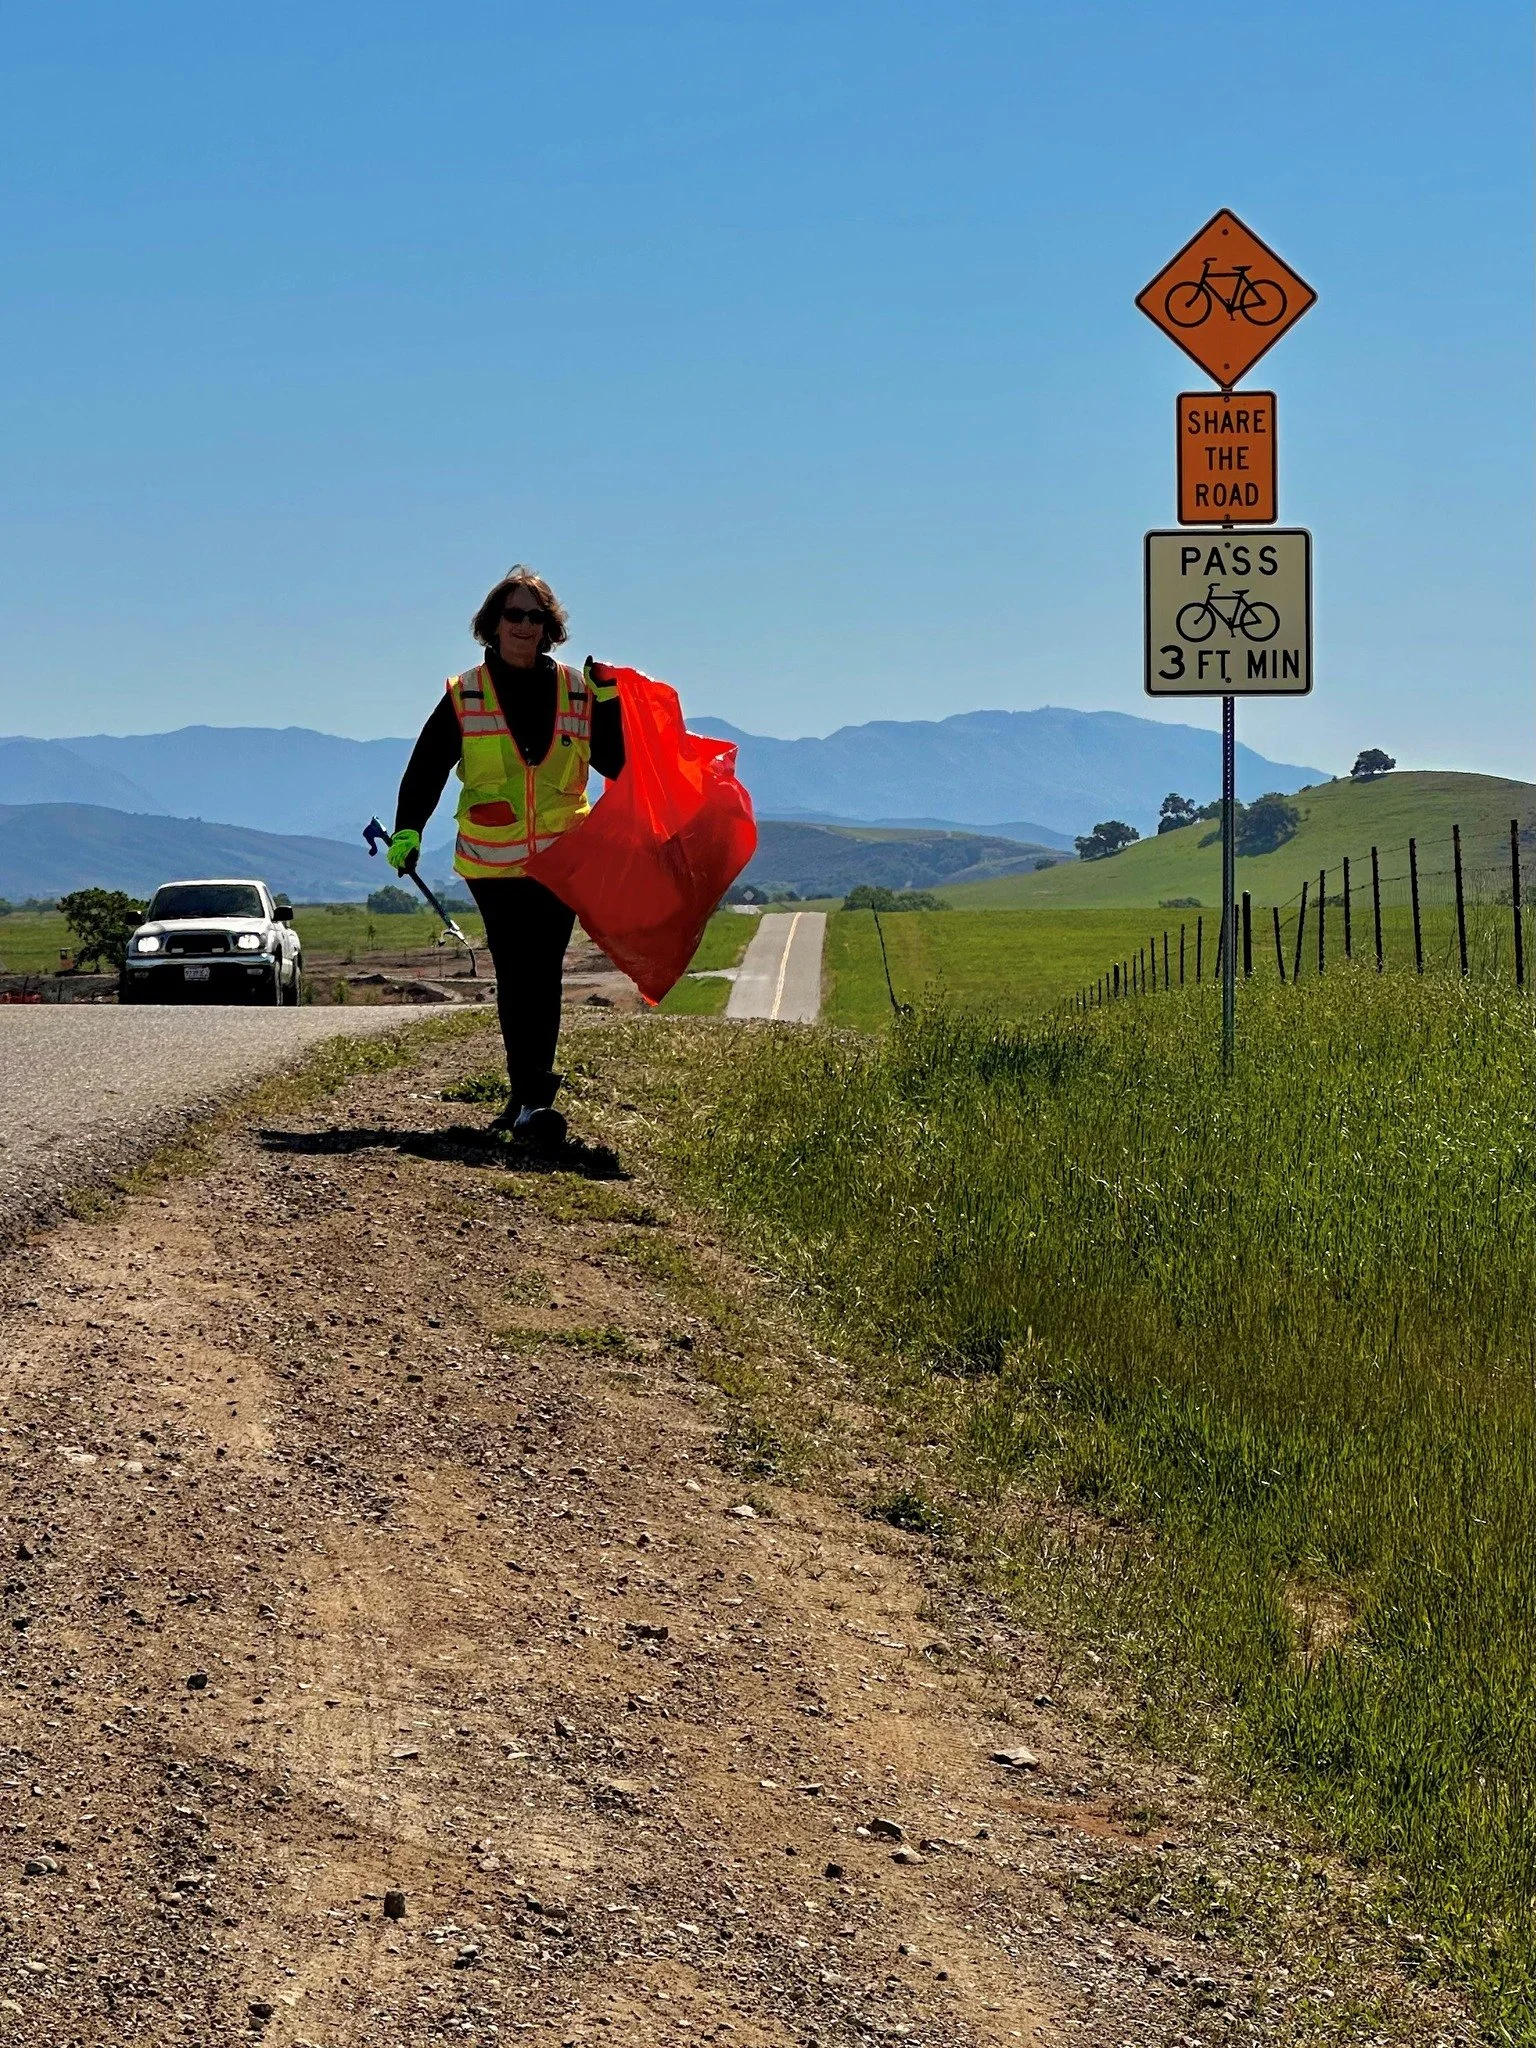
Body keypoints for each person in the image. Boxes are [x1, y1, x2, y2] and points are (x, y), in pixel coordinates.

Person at [387, 566, 624, 1148]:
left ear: (550, 628)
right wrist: (408, 831)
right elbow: (426, 768)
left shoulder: (577, 691)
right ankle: (530, 1099)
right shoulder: (465, 693)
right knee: (521, 970)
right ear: (492, 624)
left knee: (538, 973)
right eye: (513, 615)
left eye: (534, 616)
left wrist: (612, 702)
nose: (523, 625)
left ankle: (529, 1099)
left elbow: (617, 765)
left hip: (563, 859)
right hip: (493, 866)